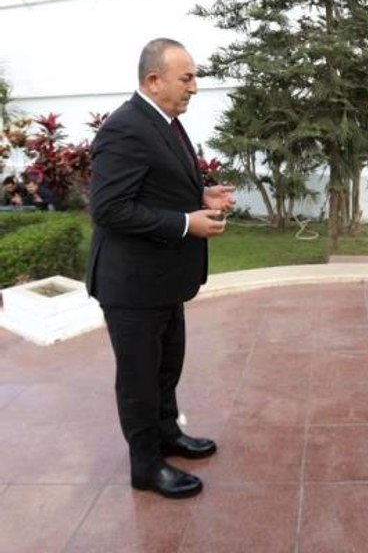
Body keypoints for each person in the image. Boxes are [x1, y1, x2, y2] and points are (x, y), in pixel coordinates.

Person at [87, 38, 235, 499]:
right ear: (154, 80)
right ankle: (146, 465)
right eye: (186, 77)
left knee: (165, 370)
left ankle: (168, 435)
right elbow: (109, 209)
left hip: (163, 281)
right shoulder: (126, 128)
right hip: (130, 286)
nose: (195, 86)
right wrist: (184, 224)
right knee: (139, 380)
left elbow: (157, 186)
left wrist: (201, 197)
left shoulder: (165, 123)